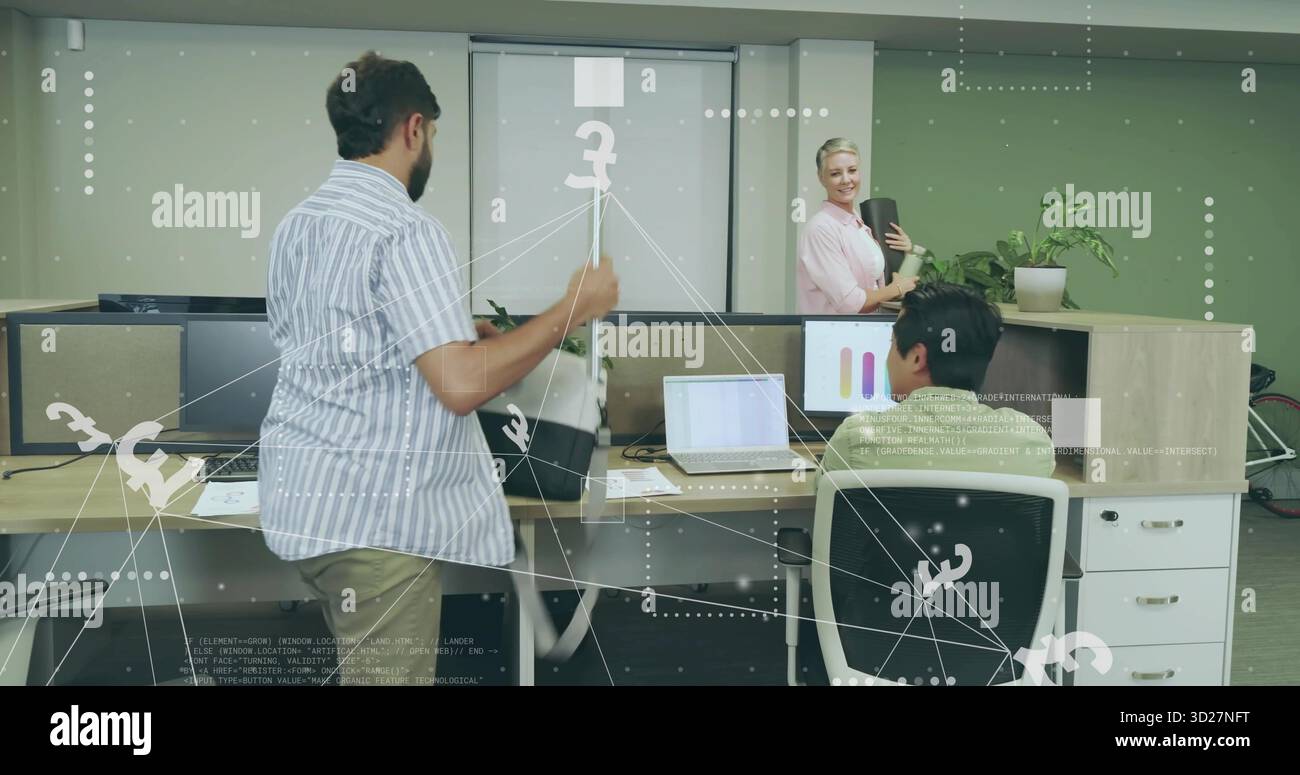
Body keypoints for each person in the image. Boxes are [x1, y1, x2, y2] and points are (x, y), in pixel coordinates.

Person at [258, 51, 619, 685]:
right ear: (413, 129)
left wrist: (447, 333)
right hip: (375, 527)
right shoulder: (403, 228)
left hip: (305, 505)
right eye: (433, 136)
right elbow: (460, 385)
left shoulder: (297, 225)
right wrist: (573, 309)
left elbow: (334, 347)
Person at [821, 282, 1055, 477]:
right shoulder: (1031, 442)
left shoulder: (855, 440)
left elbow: (824, 500)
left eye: (892, 342)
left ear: (917, 358)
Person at [796, 137, 924, 314]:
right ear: (821, 178)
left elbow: (876, 289)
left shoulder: (859, 226)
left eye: (852, 170)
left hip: (865, 328)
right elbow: (850, 303)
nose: (846, 180)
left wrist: (906, 253)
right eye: (835, 173)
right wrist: (897, 288)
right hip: (834, 331)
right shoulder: (820, 229)